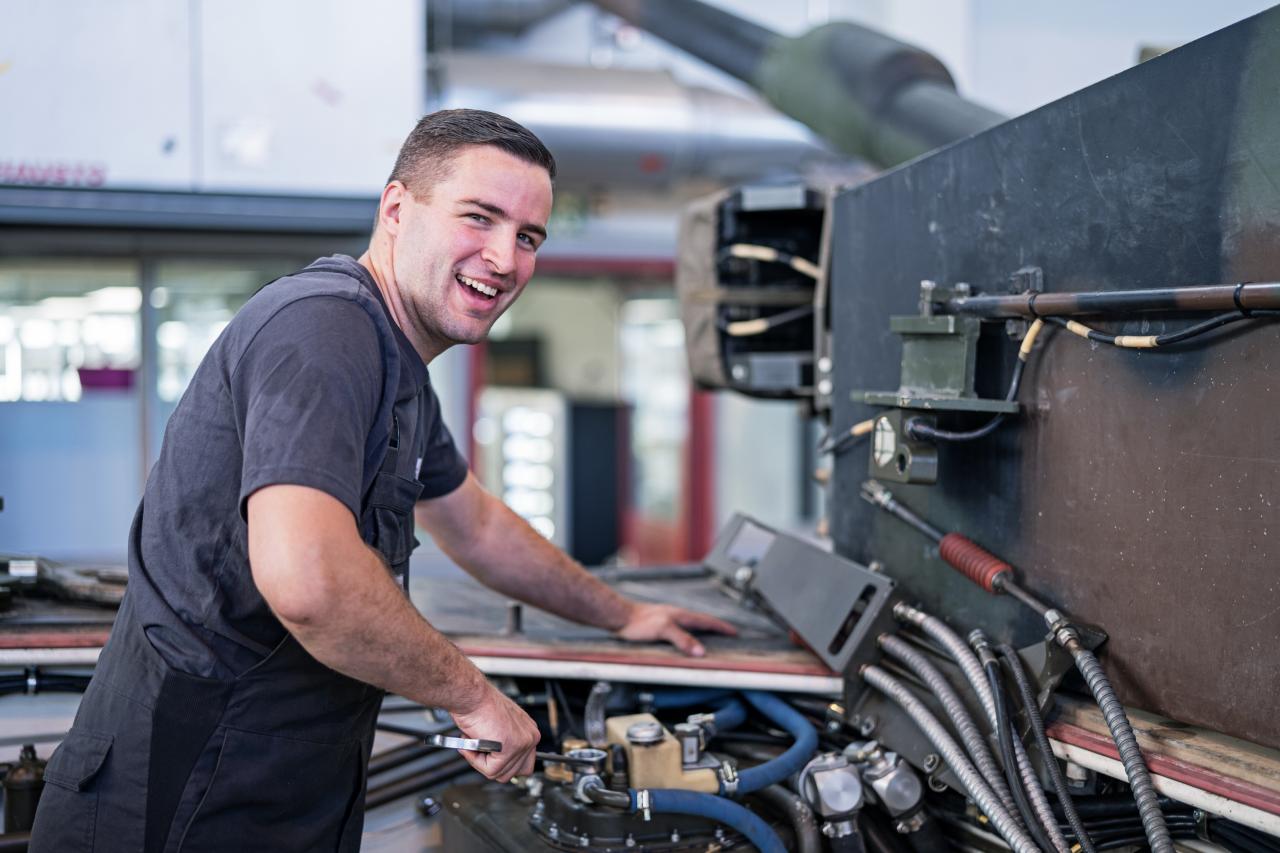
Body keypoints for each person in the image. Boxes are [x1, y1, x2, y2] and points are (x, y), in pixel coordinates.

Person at [30, 109, 736, 852]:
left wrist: (622, 612)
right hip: (178, 795)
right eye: (480, 218)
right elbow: (310, 582)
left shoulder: (396, 367)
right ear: (397, 209)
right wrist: (474, 697)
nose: (504, 258)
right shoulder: (325, 329)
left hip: (274, 785)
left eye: (528, 237)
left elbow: (477, 525)